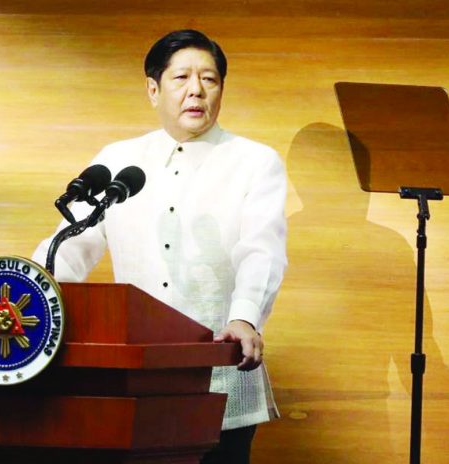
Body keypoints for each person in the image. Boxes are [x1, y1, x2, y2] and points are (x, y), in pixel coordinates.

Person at [33, 29, 287, 464]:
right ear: (153, 89)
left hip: (221, 370)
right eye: (182, 77)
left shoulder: (254, 162)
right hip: (133, 377)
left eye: (209, 79)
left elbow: (261, 249)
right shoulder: (118, 160)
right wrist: (29, 295)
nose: (196, 90)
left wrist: (245, 317)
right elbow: (71, 246)